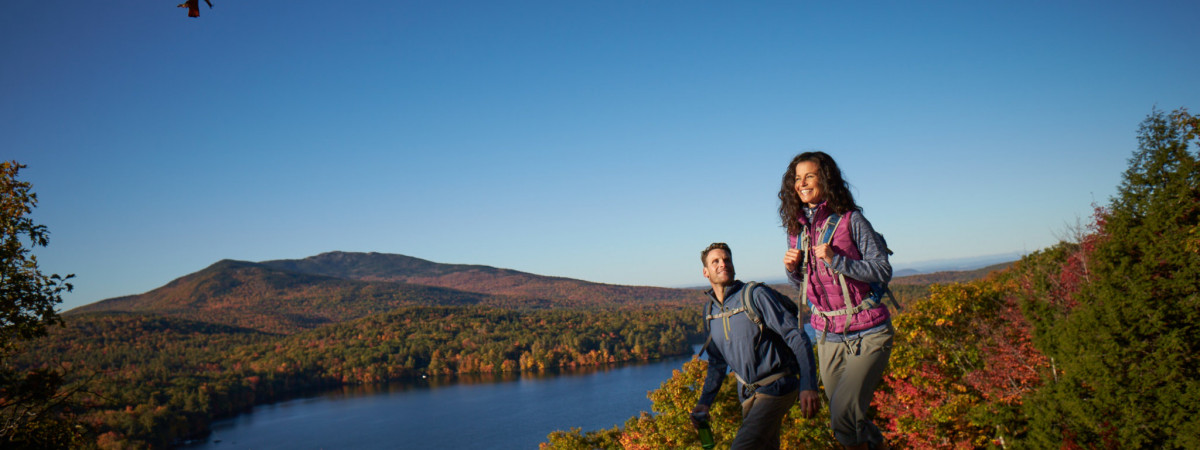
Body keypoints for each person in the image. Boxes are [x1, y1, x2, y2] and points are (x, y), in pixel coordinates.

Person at [779, 151, 894, 450]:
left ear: (825, 179)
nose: (802, 183)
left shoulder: (850, 219)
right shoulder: (798, 229)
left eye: (810, 176)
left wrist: (837, 260)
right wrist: (793, 270)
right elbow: (807, 283)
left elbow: (882, 269)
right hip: (828, 333)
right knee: (845, 415)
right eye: (797, 178)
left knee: (842, 415)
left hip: (868, 330)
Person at [692, 242, 821, 450]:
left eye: (726, 259)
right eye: (715, 261)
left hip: (777, 385)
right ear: (705, 272)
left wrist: (808, 384)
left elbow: (796, 336)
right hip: (748, 395)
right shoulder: (710, 312)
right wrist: (705, 402)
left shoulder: (755, 295)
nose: (722, 264)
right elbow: (717, 363)